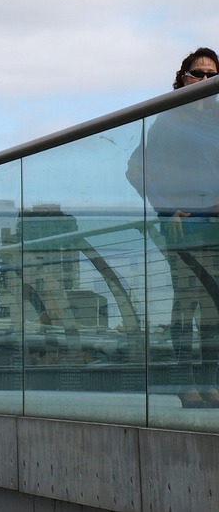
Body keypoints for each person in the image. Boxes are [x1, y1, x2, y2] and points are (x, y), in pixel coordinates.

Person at [126, 48, 219, 408]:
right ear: (182, 80)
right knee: (188, 304)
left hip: (215, 227)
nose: (206, 81)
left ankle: (210, 383)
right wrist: (168, 209)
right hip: (184, 228)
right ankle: (185, 382)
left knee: (214, 307)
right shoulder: (169, 122)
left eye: (213, 75)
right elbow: (137, 170)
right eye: (198, 74)